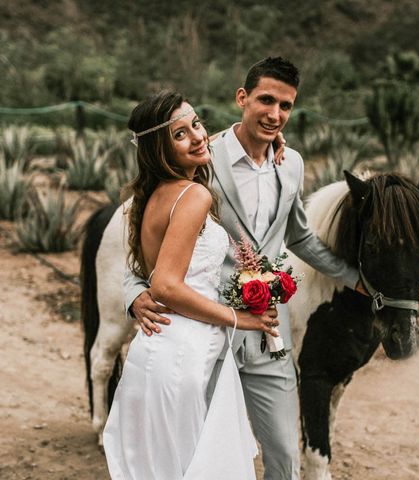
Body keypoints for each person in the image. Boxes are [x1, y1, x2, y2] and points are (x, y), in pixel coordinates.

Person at [126, 57, 364, 480]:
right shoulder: (199, 155)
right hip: (208, 332)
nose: (274, 115)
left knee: (285, 455)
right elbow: (147, 224)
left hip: (271, 332)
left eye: (285, 107)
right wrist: (133, 293)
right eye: (266, 101)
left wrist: (355, 279)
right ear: (242, 98)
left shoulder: (292, 164)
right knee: (209, 455)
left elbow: (300, 238)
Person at [103, 91, 282, 479]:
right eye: (179, 135)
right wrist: (240, 318)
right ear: (159, 150)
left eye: (196, 124)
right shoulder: (194, 194)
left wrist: (270, 138)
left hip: (153, 353)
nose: (198, 137)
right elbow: (166, 286)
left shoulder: (151, 195)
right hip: (185, 357)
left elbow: (154, 274)